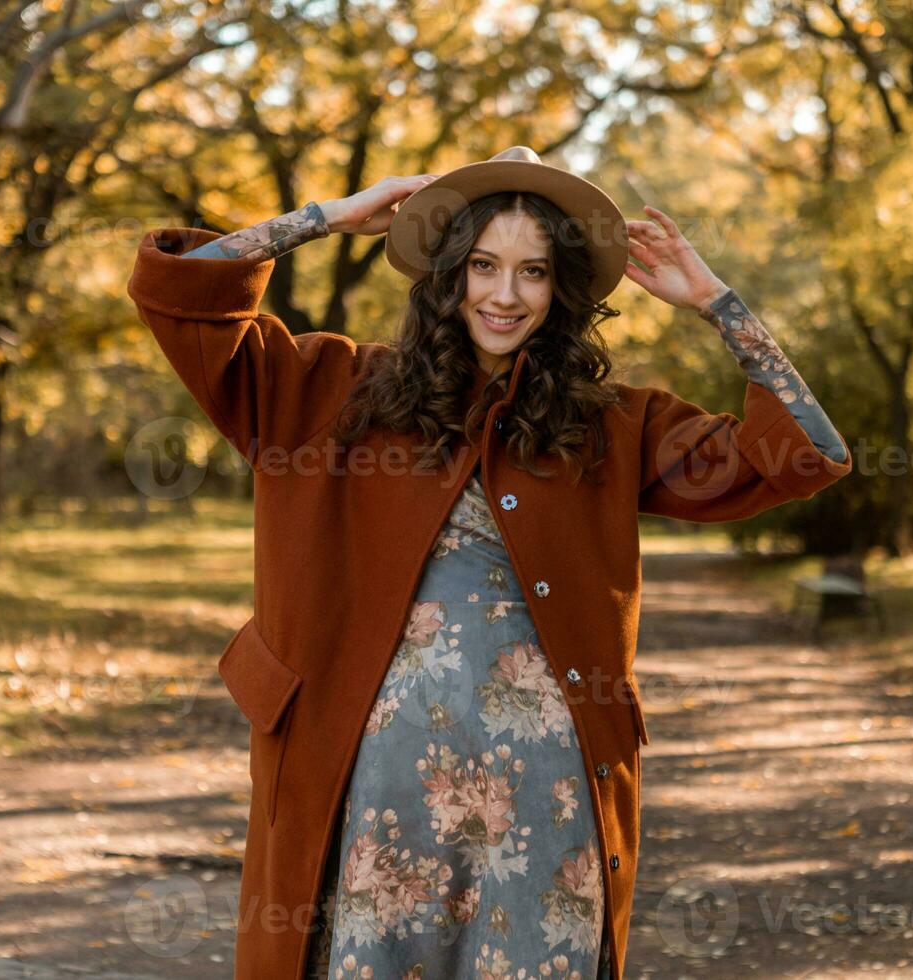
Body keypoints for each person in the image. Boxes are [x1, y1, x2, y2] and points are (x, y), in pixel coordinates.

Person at [126, 146, 851, 980]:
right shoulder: (330, 391)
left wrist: (718, 305)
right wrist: (327, 216)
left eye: (533, 272)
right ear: (447, 272)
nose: (505, 296)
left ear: (561, 288)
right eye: (483, 265)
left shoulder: (612, 426)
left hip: (546, 797)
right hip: (374, 791)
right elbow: (179, 299)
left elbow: (801, 454)